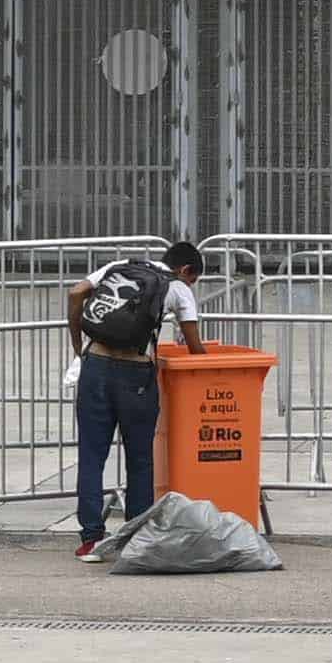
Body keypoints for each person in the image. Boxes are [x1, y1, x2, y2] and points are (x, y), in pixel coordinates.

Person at [65, 236, 202, 553]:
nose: (192, 285)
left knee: (91, 456)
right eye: (194, 279)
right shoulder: (178, 288)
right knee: (140, 459)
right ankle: (134, 539)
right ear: (186, 270)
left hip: (95, 366)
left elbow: (76, 293)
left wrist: (76, 349)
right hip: (136, 374)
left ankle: (90, 539)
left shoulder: (120, 267)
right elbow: (195, 346)